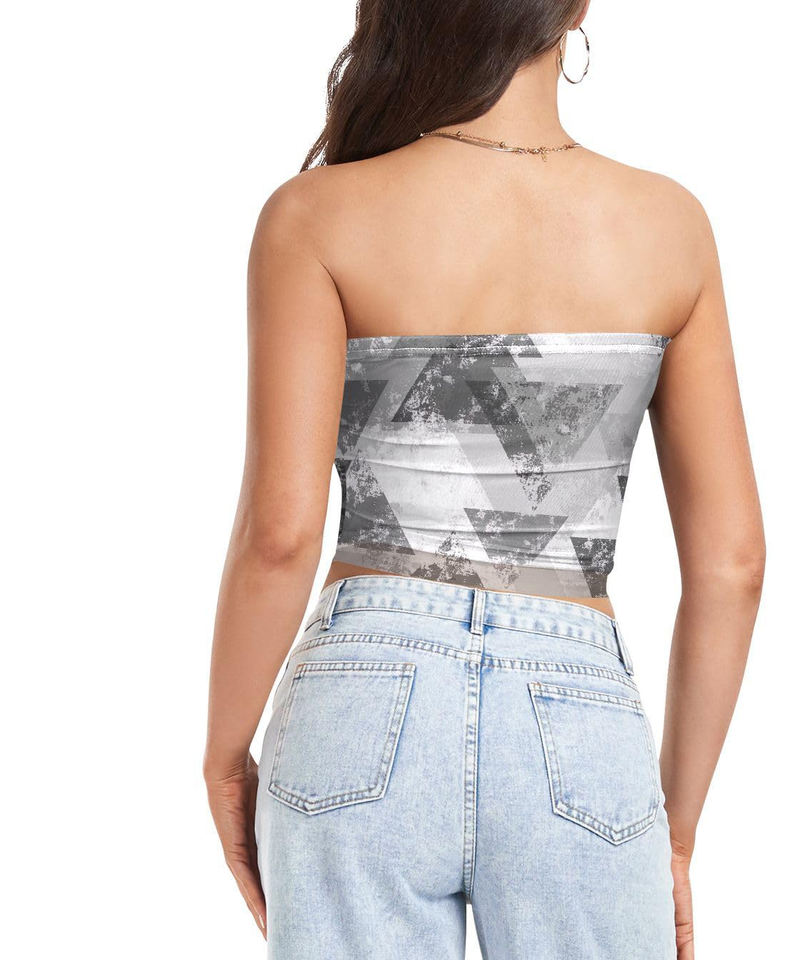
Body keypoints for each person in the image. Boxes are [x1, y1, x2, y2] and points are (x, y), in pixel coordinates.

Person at [203, 1, 765, 957]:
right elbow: (733, 565)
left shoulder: (318, 215)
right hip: (575, 709)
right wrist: (671, 835)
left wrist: (225, 755)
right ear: (576, 7)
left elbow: (280, 536)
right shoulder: (669, 226)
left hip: (361, 695)